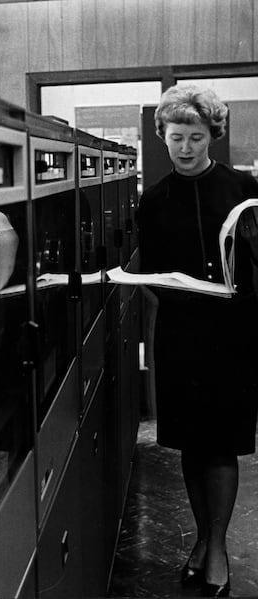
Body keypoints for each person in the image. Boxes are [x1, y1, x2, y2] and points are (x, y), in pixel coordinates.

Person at [137, 83, 258, 598]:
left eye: (195, 137)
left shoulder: (244, 191)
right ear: (162, 137)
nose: (185, 148)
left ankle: (216, 549)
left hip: (232, 335)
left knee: (221, 446)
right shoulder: (154, 198)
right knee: (191, 444)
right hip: (182, 334)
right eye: (176, 138)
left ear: (213, 136)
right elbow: (152, 271)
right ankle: (206, 541)